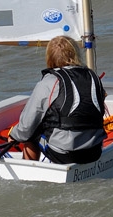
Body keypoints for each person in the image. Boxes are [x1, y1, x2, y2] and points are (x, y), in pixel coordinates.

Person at [8, 36, 106, 165]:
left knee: (30, 135)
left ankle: (30, 176)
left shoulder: (49, 82)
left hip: (64, 155)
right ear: (76, 53)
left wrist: (13, 136)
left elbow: (27, 126)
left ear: (50, 57)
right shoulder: (93, 77)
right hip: (94, 151)